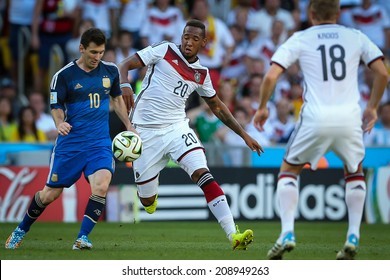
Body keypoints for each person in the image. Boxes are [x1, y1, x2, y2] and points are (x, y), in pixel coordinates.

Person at [253, 0, 388, 260]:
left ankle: (287, 233)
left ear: (311, 14)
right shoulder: (356, 36)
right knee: (355, 172)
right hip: (350, 118)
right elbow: (382, 73)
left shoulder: (301, 38)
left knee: (289, 170)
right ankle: (353, 236)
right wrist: (372, 108)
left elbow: (270, 76)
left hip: (315, 116)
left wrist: (262, 108)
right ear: (338, 13)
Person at [118, 19, 263, 250]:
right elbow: (123, 65)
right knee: (146, 202)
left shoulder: (202, 74)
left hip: (177, 129)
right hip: (146, 133)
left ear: (204, 43)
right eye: (186, 36)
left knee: (203, 174)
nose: (188, 42)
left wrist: (244, 135)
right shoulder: (164, 50)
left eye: (195, 39)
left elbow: (217, 107)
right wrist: (125, 84)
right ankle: (150, 195)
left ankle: (233, 235)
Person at [5, 28, 134, 250]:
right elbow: (55, 106)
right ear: (81, 48)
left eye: (101, 52)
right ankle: (20, 231)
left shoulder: (110, 71)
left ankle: (82, 238)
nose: (97, 57)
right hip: (71, 145)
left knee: (101, 185)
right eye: (93, 52)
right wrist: (59, 123)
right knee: (49, 195)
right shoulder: (63, 76)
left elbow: (117, 99)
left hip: (99, 143)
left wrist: (129, 125)